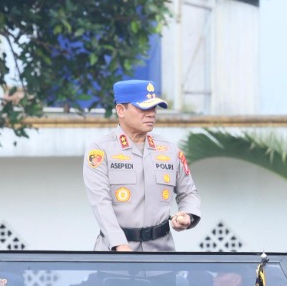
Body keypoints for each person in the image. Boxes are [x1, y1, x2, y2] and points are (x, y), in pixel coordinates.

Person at [83, 79, 200, 251]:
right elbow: (100, 203)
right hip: (115, 255)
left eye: (154, 108)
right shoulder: (101, 150)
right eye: (143, 108)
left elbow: (189, 193)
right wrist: (119, 244)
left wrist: (187, 215)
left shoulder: (169, 149)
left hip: (161, 253)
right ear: (121, 110)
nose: (151, 114)